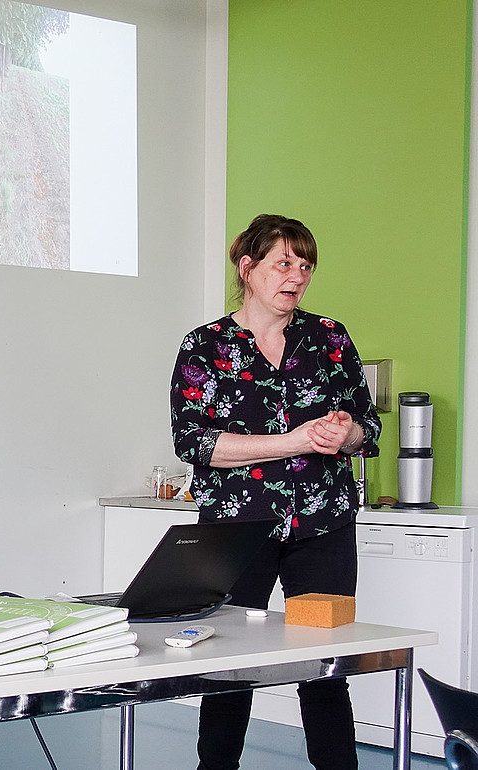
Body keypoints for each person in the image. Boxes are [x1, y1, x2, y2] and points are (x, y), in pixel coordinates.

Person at [170, 214, 381, 770]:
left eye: (305, 266)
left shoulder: (330, 337)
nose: (297, 276)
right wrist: (291, 441)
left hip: (323, 523)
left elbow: (367, 427)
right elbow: (195, 442)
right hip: (236, 529)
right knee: (227, 664)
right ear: (248, 267)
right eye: (283, 262)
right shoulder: (206, 347)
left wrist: (346, 434)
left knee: (324, 664)